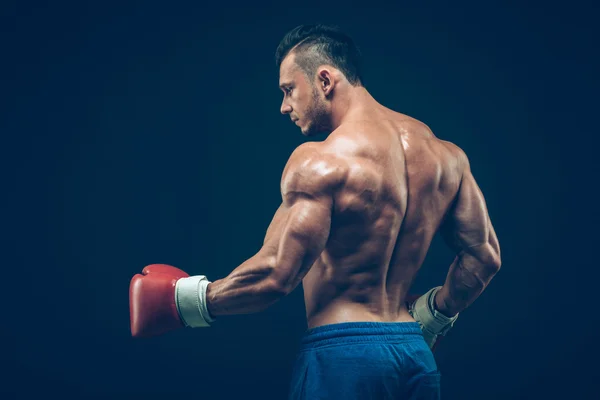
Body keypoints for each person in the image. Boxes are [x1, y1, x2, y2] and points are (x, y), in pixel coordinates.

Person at [129, 24, 502, 399]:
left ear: (325, 79)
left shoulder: (321, 161)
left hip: (344, 357)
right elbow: (484, 258)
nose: (284, 106)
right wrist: (432, 318)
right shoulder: (448, 156)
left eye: (289, 89)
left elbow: (275, 275)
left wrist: (184, 301)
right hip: (414, 355)